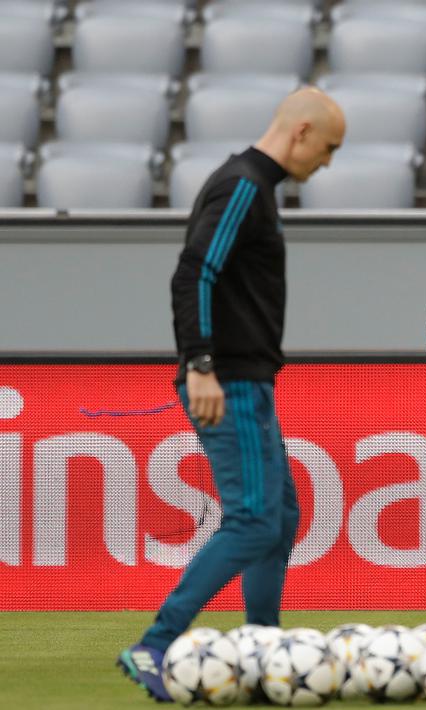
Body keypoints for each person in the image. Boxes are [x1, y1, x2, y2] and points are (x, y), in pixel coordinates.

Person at [117, 89, 346, 701]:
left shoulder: (254, 188)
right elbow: (193, 272)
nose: (326, 163)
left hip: (249, 381)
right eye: (328, 148)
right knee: (251, 522)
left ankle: (263, 650)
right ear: (300, 132)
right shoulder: (243, 185)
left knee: (280, 519)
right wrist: (199, 365)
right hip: (229, 382)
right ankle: (154, 645)